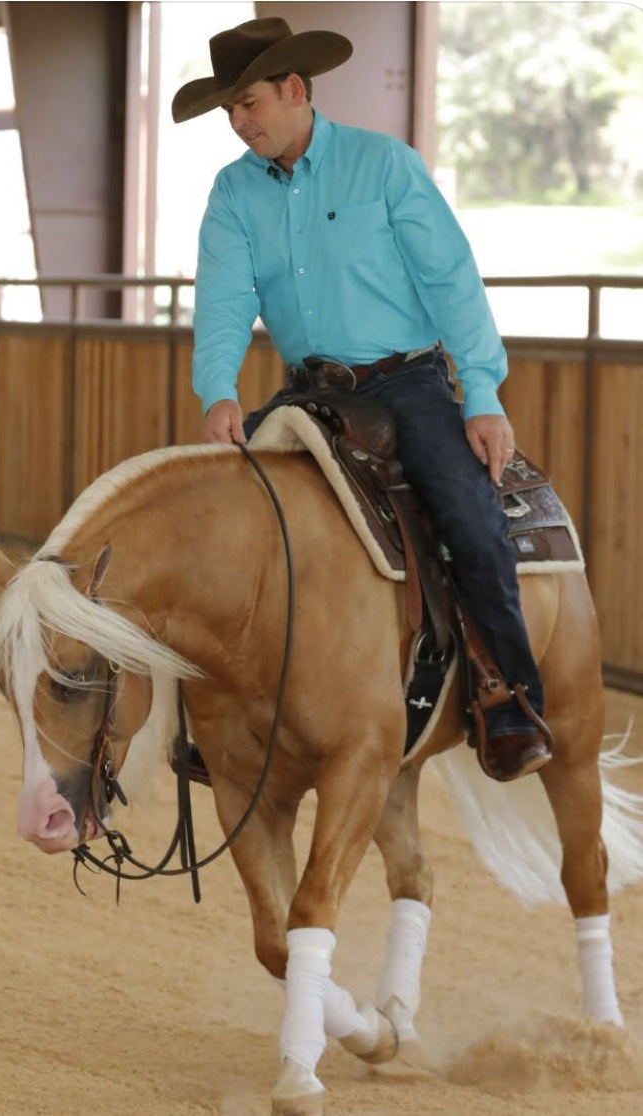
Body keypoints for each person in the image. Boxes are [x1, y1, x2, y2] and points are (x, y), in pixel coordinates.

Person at [171, 16, 551, 782]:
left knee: (468, 515)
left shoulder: (383, 166)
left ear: (294, 89)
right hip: (309, 392)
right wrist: (218, 392)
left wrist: (481, 392)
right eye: (229, 110)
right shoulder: (233, 192)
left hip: (407, 384)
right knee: (223, 519)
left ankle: (509, 697)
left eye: (249, 104)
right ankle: (231, 714)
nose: (239, 123)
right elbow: (222, 301)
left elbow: (451, 280)